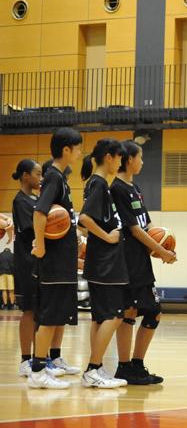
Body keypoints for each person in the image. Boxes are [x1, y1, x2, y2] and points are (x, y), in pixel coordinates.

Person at [112, 140, 176, 386]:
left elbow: (147, 225)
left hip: (142, 260)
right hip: (128, 261)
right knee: (130, 311)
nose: (142, 161)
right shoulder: (117, 188)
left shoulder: (134, 187)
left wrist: (165, 245)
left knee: (152, 312)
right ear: (129, 159)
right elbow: (134, 229)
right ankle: (125, 366)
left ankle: (136, 365)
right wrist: (160, 250)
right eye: (140, 157)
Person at [28, 127, 84, 390]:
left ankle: (47, 364)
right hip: (53, 261)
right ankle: (38, 371)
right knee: (49, 317)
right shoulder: (53, 177)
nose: (81, 153)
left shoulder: (60, 178)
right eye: (79, 148)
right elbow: (40, 213)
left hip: (63, 260)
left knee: (57, 315)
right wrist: (40, 245)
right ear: (66, 150)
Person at [78, 138, 129, 388]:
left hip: (100, 262)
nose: (120, 163)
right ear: (109, 157)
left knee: (99, 318)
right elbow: (84, 219)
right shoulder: (98, 184)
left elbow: (83, 227)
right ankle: (92, 368)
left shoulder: (95, 183)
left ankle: (95, 369)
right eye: (119, 158)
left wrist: (100, 236)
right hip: (105, 264)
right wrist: (107, 237)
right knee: (115, 315)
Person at [11, 159, 45, 377]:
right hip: (26, 263)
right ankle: (25, 360)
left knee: (39, 312)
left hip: (39, 263)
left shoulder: (36, 199)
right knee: (29, 311)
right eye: (38, 174)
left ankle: (38, 358)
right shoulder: (20, 201)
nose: (41, 178)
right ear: (25, 175)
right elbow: (32, 230)